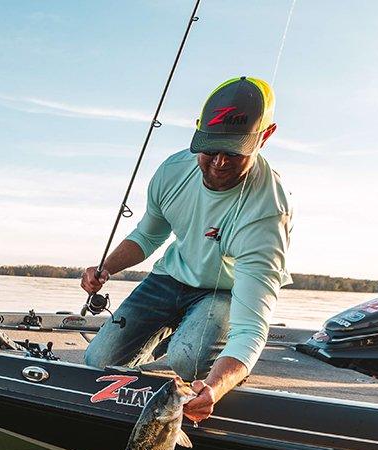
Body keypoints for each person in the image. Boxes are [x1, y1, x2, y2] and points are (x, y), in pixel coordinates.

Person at [82, 76, 292, 424]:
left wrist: (215, 389)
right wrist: (106, 268)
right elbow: (149, 235)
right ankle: (183, 332)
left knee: (187, 362)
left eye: (234, 151)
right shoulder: (173, 171)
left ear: (264, 137)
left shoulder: (267, 215)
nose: (219, 163)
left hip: (223, 292)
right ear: (197, 132)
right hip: (169, 278)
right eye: (210, 149)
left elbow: (251, 329)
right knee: (95, 362)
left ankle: (204, 347)